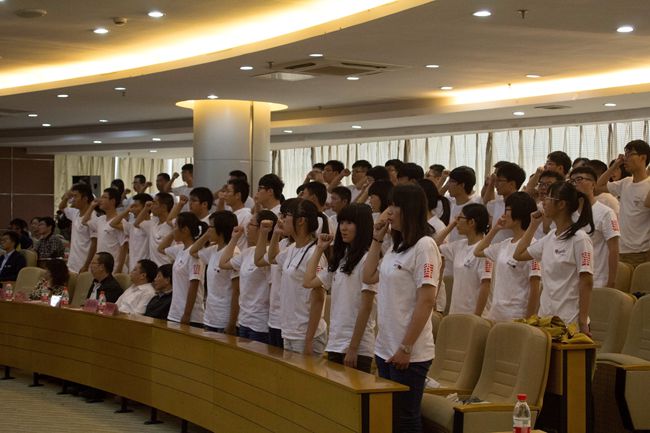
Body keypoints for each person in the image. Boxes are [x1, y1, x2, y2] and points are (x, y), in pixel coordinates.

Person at [363, 183, 440, 433]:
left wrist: (406, 347)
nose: (389, 212)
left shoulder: (425, 246)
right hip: (385, 347)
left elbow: (426, 300)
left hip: (409, 351)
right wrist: (377, 238)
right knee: (389, 417)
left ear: (410, 209)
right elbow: (368, 275)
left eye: (395, 206)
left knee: (406, 418)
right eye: (389, 205)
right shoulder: (396, 247)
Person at [303, 203, 376, 373]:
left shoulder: (367, 260)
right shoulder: (342, 259)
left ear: (362, 226)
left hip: (358, 348)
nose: (343, 227)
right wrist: (319, 249)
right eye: (342, 222)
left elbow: (366, 307)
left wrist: (353, 348)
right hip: (335, 342)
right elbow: (308, 281)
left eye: (349, 223)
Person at [514, 182, 594, 334]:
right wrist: (533, 225)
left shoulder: (580, 239)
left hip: (569, 321)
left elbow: (586, 281)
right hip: (546, 318)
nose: (543, 202)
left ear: (561, 204)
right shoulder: (550, 236)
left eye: (548, 198)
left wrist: (583, 321)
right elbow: (518, 255)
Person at [265, 199, 329, 355]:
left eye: (286, 215)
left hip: (305, 335)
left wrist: (309, 340)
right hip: (289, 331)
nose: (282, 219)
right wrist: (275, 234)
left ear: (301, 221)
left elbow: (319, 299)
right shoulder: (293, 248)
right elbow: (272, 258)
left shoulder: (314, 253)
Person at [473, 192, 541, 321]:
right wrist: (495, 229)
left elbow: (535, 288)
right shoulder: (505, 244)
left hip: (516, 316)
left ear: (519, 213)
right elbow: (478, 251)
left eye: (507, 210)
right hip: (496, 313)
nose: (503, 215)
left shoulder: (533, 246)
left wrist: (528, 320)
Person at [220, 211, 277, 343]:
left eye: (251, 224)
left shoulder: (270, 254)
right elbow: (223, 263)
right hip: (244, 320)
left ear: (262, 228)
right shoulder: (248, 252)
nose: (247, 227)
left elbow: (272, 289)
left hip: (260, 323)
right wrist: (234, 238)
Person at [597, 139, 650, 268]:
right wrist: (614, 165)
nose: (625, 159)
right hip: (621, 249)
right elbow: (598, 187)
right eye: (625, 154)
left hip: (642, 251)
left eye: (630, 154)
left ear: (643, 158)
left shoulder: (648, 185)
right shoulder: (625, 182)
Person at [436, 203, 493, 315]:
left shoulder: (485, 250)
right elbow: (435, 245)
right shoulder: (459, 245)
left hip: (474, 315)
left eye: (460, 218)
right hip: (455, 311)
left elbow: (485, 286)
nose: (457, 221)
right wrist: (452, 225)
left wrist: (476, 316)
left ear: (471, 222)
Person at [190, 210, 240, 334]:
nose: (208, 230)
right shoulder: (213, 250)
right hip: (209, 317)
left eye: (211, 227)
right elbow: (192, 251)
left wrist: (232, 323)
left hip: (224, 319)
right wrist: (206, 235)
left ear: (221, 230)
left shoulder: (234, 253)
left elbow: (237, 291)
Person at [570, 166, 619, 288]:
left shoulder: (605, 213)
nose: (575, 184)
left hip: (597, 280)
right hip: (572, 281)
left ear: (593, 184)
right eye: (572, 181)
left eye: (579, 179)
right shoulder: (568, 214)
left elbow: (614, 249)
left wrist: (611, 282)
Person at [159, 212, 206, 326]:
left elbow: (194, 286)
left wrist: (187, 314)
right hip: (175, 312)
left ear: (185, 230)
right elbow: (160, 248)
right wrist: (174, 232)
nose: (173, 230)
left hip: (191, 316)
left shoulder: (195, 254)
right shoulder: (180, 249)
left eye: (175, 226)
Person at [84, 187, 126, 273]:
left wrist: (119, 269)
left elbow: (124, 246)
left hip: (113, 267)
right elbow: (84, 221)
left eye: (104, 197)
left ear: (112, 201)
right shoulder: (101, 219)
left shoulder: (120, 222)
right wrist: (91, 206)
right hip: (100, 267)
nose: (100, 200)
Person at [110, 193, 154, 272]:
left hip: (144, 268)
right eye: (132, 206)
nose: (133, 209)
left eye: (136, 206)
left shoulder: (151, 225)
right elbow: (113, 224)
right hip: (132, 267)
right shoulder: (131, 226)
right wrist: (127, 210)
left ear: (146, 207)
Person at [58, 183, 96, 273]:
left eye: (76, 196)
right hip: (72, 263)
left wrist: (86, 265)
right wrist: (67, 196)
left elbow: (94, 244)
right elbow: (61, 207)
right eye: (73, 196)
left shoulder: (93, 217)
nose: (73, 199)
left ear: (85, 198)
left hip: (84, 264)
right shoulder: (75, 212)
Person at [485, 162, 526, 243]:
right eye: (495, 180)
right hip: (494, 248)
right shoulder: (496, 203)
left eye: (499, 181)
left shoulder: (523, 205)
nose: (496, 185)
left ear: (512, 184)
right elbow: (486, 201)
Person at [135, 192, 174, 266]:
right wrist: (146, 208)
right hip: (155, 268)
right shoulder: (153, 223)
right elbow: (136, 223)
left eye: (155, 203)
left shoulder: (172, 225)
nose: (151, 206)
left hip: (167, 267)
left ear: (164, 207)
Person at [446, 166, 481, 241]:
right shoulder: (452, 202)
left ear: (462, 185)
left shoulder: (474, 207)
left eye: (452, 181)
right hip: (452, 247)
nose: (448, 185)